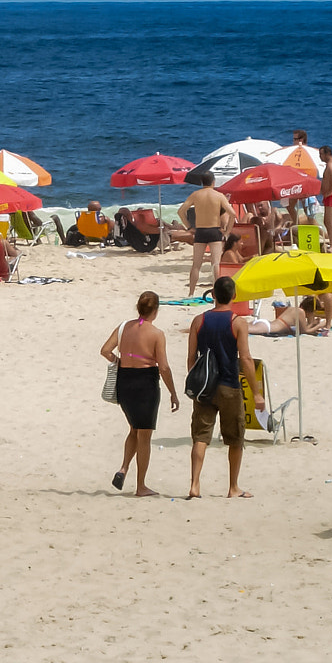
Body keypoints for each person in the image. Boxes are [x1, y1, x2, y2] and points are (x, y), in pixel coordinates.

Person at [185, 277, 261, 499]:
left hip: (205, 388)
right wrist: (256, 393)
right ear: (234, 296)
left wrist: (196, 381)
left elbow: (191, 358)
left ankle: (195, 485)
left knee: (200, 436)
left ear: (214, 295)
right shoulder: (238, 323)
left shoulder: (198, 321)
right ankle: (233, 487)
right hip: (229, 385)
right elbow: (245, 358)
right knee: (235, 438)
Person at [100, 291, 178, 497]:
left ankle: (123, 468)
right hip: (146, 384)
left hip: (125, 382)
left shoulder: (124, 327)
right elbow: (164, 368)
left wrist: (121, 362)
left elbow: (105, 351)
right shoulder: (156, 334)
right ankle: (141, 486)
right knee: (144, 435)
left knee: (134, 428)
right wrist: (173, 393)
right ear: (156, 310)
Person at [181, 173, 234, 295]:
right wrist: (227, 232)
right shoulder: (219, 196)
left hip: (200, 231)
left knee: (196, 265)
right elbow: (233, 214)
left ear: (202, 182)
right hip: (214, 230)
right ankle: (217, 292)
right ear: (213, 182)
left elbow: (181, 211)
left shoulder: (196, 195)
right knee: (215, 264)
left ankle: (191, 293)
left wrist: (189, 227)